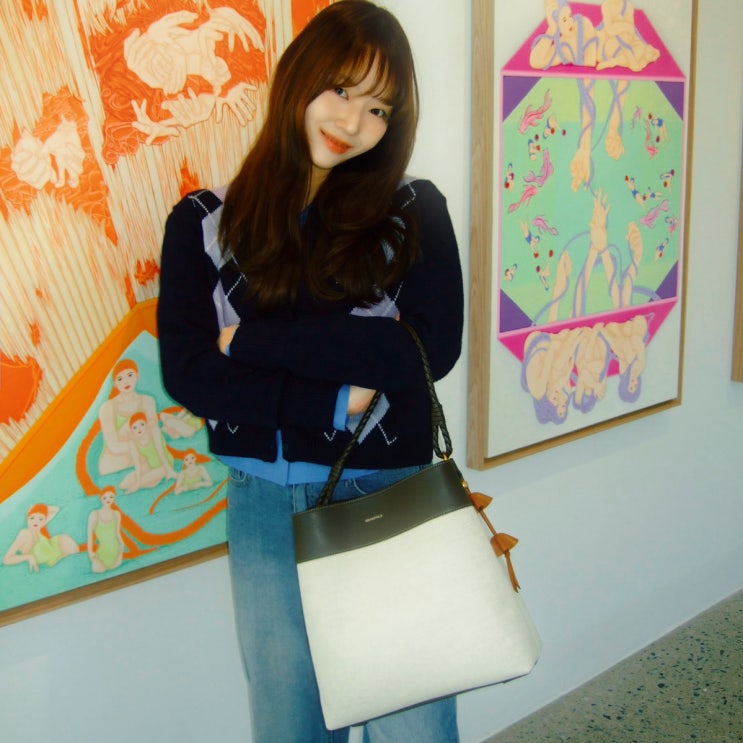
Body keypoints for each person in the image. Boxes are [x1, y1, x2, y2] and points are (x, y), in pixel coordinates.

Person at [156, 2, 464, 742]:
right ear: (298, 80)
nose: (353, 121)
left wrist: (251, 342)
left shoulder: (413, 210)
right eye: (341, 89)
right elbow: (191, 374)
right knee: (291, 724)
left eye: (379, 107)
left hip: (385, 491)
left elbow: (425, 351)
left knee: (414, 727)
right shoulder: (203, 221)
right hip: (263, 506)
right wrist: (328, 399)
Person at [3, 504, 78, 572]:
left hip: (57, 552)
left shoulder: (39, 528)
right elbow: (6, 560)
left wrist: (35, 507)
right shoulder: (25, 533)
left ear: (44, 521)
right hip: (54, 560)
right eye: (32, 518)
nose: (35, 521)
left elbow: (56, 509)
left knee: (64, 540)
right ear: (27, 519)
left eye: (40, 519)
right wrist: (28, 557)